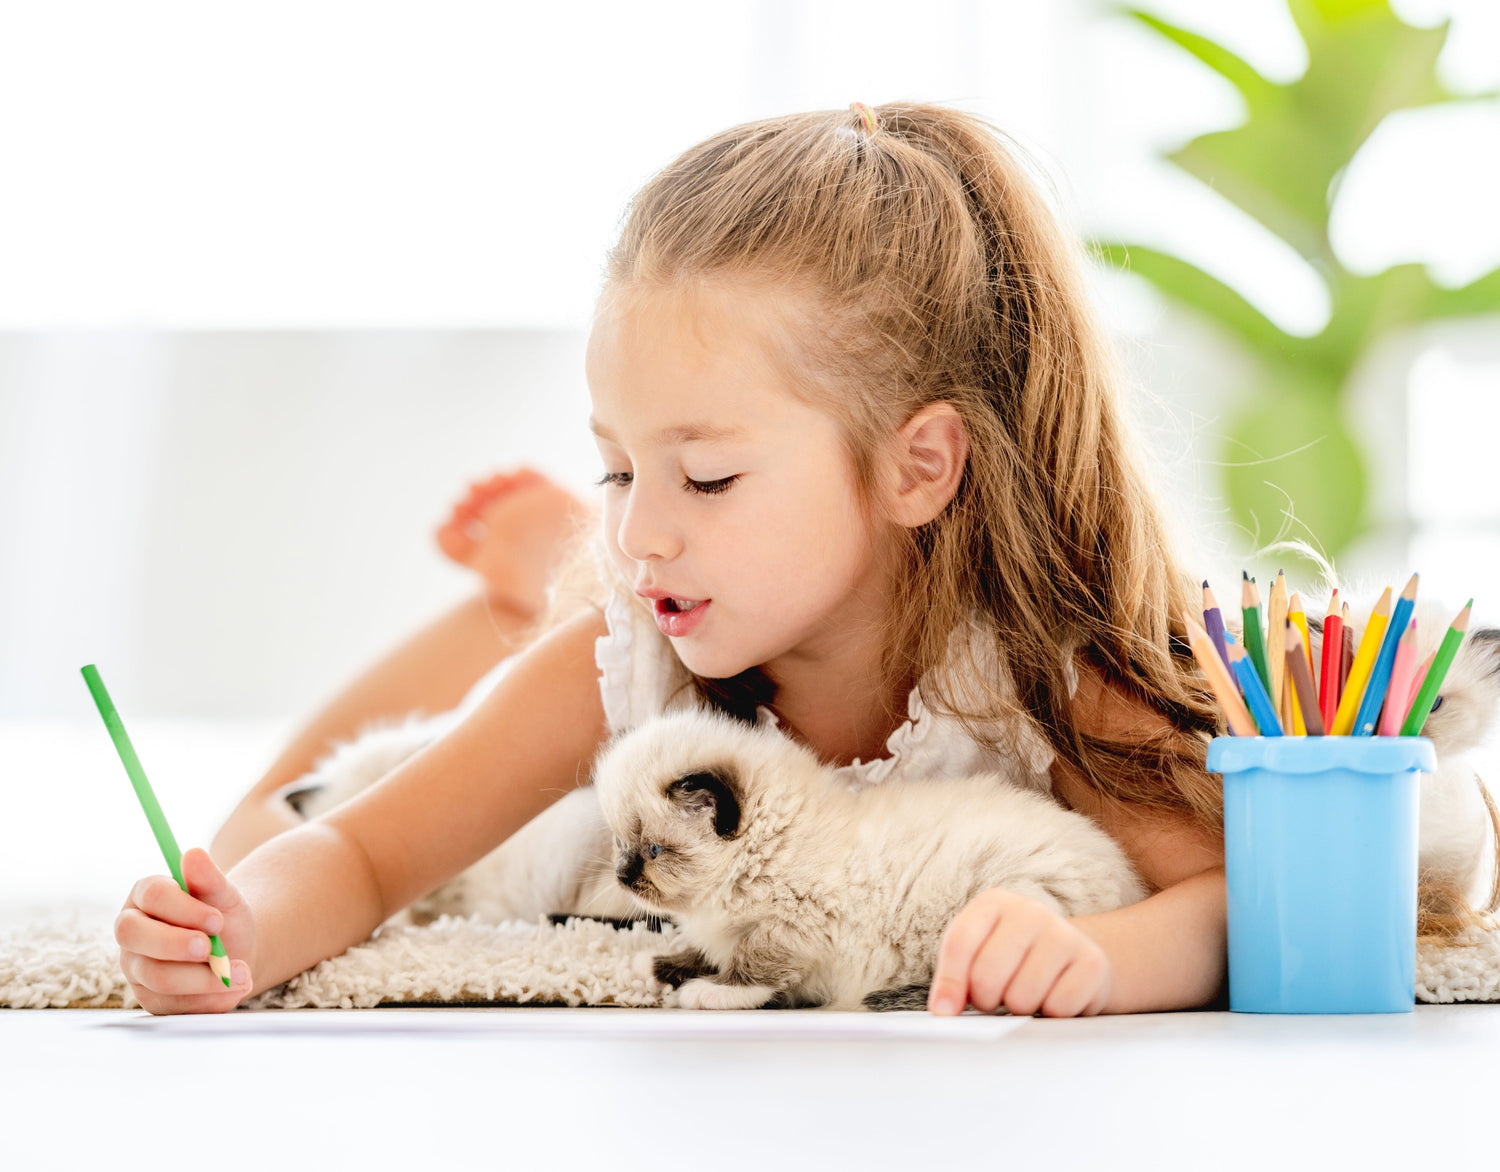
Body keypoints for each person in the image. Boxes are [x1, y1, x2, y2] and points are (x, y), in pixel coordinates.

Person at [116, 101, 1234, 1018]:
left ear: (919, 467)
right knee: (255, 826)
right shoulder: (629, 664)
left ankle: (525, 582)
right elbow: (360, 854)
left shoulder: (1044, 671)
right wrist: (239, 923)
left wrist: (1102, 958)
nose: (639, 529)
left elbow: (1228, 904)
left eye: (706, 477)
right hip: (589, 765)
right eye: (614, 472)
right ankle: (513, 598)